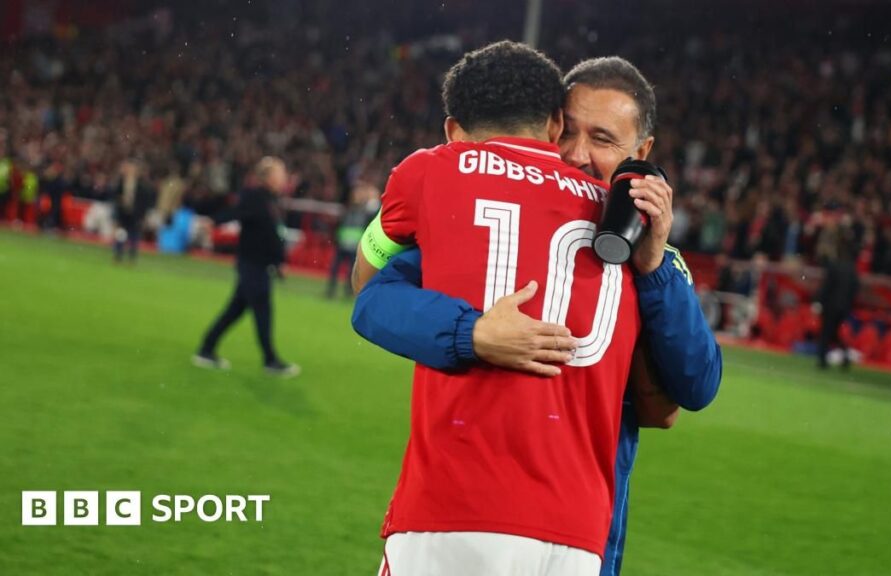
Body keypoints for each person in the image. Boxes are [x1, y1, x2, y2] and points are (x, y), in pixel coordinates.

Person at [352, 53, 721, 576]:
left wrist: (655, 263)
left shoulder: (653, 257)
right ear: (550, 122)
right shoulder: (490, 214)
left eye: (603, 140)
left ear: (642, 153)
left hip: (554, 521)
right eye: (568, 131)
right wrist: (473, 332)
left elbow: (693, 388)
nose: (577, 153)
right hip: (571, 527)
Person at [192, 156, 300, 377]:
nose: (283, 177)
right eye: (280, 173)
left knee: (235, 310)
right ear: (268, 177)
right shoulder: (256, 197)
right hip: (252, 264)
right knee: (263, 310)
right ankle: (270, 360)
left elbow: (271, 234)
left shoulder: (271, 200)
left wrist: (278, 261)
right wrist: (214, 220)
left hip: (259, 264)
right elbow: (236, 213)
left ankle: (206, 349)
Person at [325, 180, 379, 299]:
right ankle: (331, 290)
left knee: (351, 271)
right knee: (335, 269)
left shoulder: (366, 211)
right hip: (343, 243)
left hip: (354, 245)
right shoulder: (348, 209)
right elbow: (340, 225)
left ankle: (348, 292)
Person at [815, 236, 859, 369]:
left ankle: (822, 360)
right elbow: (855, 288)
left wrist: (818, 301)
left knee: (826, 332)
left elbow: (827, 287)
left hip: (830, 306)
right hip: (843, 307)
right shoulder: (852, 269)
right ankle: (845, 355)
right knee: (834, 332)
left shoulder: (834, 266)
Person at [110, 159, 155, 263]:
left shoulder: (142, 186)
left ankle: (132, 257)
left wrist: (142, 216)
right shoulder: (120, 183)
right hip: (123, 214)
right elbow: (114, 197)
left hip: (135, 216)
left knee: (134, 237)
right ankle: (118, 255)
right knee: (120, 236)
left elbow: (144, 203)